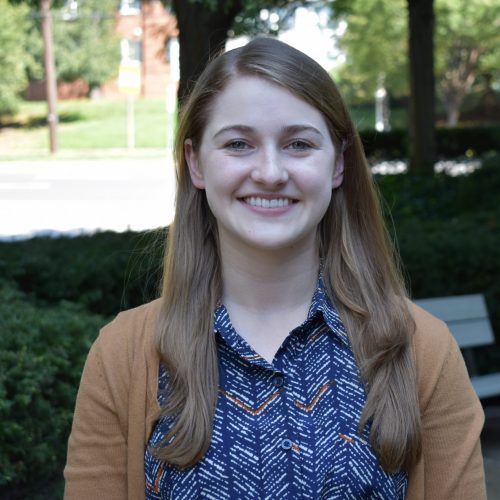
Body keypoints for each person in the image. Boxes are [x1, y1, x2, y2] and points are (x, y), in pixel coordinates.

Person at [64, 37, 486, 499]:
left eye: (299, 144)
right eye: (239, 143)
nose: (269, 172)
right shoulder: (122, 356)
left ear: (338, 164)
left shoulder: (423, 350)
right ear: (195, 162)